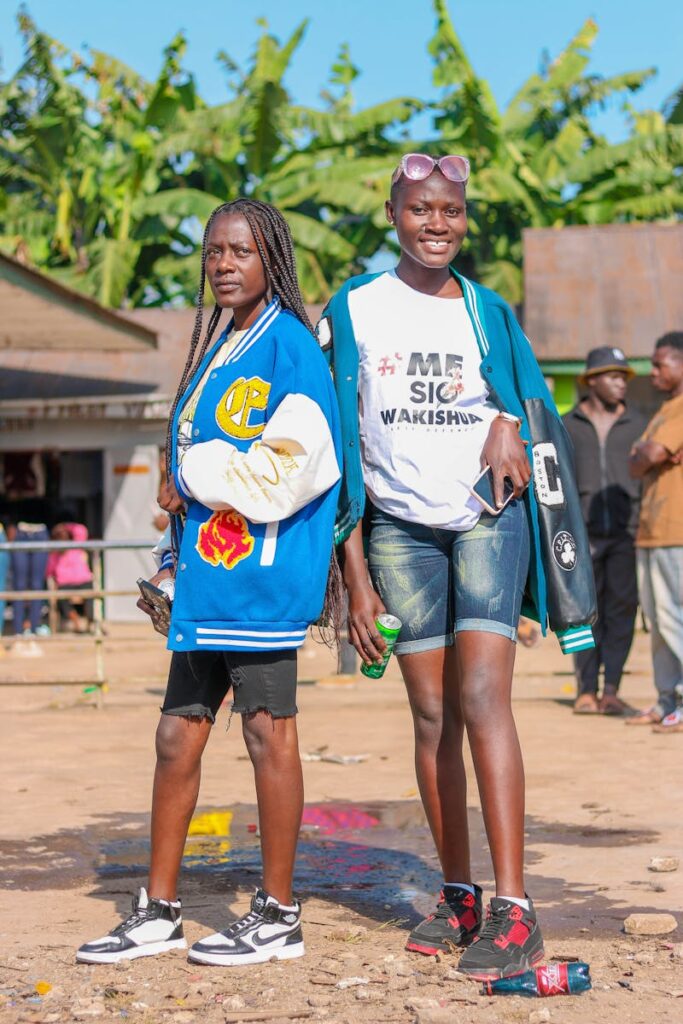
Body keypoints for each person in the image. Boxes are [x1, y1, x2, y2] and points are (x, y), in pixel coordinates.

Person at [319, 153, 596, 981]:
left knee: (482, 698)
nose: (436, 224)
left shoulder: (486, 309)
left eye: (450, 211)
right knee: (431, 716)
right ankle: (458, 892)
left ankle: (515, 910)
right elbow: (338, 441)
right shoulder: (355, 308)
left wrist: (508, 417)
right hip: (397, 533)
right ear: (393, 213)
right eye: (419, 209)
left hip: (486, 518)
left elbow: (525, 396)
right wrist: (355, 576)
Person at [77, 199, 342, 966]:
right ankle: (158, 910)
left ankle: (279, 915)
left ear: (273, 263)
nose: (224, 264)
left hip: (261, 578)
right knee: (174, 737)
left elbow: (290, 472)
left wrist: (189, 475)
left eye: (241, 252)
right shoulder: (222, 346)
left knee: (267, 733)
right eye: (214, 253)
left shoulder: (289, 346)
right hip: (209, 582)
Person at [563, 348, 647, 715]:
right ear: (591, 380)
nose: (620, 383)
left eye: (623, 377)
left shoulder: (639, 424)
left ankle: (611, 688)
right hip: (580, 538)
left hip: (628, 534)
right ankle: (585, 689)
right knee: (582, 612)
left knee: (622, 610)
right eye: (612, 376)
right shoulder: (567, 424)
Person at [626, 332, 683, 733]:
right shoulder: (665, 411)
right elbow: (639, 460)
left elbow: (652, 454)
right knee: (659, 623)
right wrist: (646, 453)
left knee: (676, 618)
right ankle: (667, 700)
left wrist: (649, 453)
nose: (654, 370)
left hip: (677, 531)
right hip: (651, 530)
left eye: (661, 363)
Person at [46, 523, 93, 632]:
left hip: (83, 581)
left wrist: (64, 526)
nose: (63, 539)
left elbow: (81, 530)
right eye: (60, 536)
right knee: (62, 599)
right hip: (65, 584)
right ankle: (76, 623)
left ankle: (90, 622)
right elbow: (48, 572)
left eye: (65, 535)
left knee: (91, 596)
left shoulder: (76, 547)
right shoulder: (54, 555)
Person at [10, 519, 50, 637]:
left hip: (41, 531)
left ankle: (33, 630)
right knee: (19, 586)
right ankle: (17, 631)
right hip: (20, 532)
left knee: (37, 586)